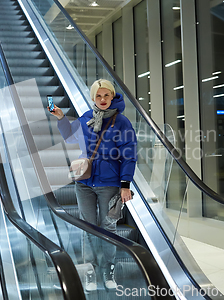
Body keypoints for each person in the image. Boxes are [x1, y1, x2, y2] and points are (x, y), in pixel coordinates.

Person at [49, 79, 137, 291]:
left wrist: (125, 184)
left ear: (112, 96)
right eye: (98, 96)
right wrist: (61, 118)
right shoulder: (87, 118)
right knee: (87, 227)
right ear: (93, 98)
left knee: (107, 227)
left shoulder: (121, 122)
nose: (103, 99)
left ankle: (108, 269)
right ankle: (90, 271)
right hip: (85, 182)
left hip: (110, 183)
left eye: (106, 95)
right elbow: (71, 138)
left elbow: (129, 154)